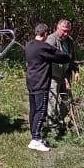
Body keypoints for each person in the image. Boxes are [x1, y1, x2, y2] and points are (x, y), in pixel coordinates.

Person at [24, 23, 74, 152]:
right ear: (46, 34)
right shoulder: (44, 47)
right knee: (41, 111)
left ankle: (35, 136)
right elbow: (60, 56)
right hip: (41, 83)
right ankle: (35, 139)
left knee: (34, 110)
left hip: (31, 81)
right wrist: (69, 58)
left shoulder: (29, 45)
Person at [45, 19, 79, 135]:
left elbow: (72, 57)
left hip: (65, 75)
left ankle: (60, 120)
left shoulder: (69, 41)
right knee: (52, 100)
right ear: (57, 28)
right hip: (53, 75)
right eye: (64, 31)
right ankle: (53, 128)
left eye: (68, 31)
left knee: (67, 100)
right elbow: (49, 56)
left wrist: (76, 70)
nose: (66, 34)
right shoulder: (51, 39)